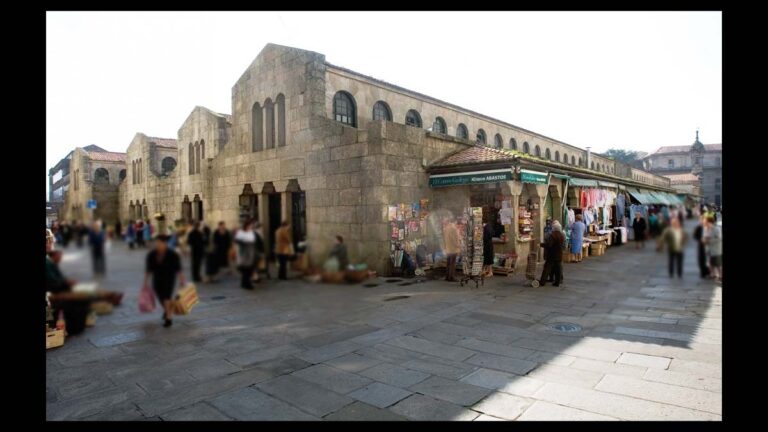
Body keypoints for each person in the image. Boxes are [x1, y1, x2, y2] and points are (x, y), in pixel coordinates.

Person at [144, 234, 185, 327]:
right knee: (160, 297)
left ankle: (168, 318)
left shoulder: (172, 254)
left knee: (167, 297)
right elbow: (148, 270)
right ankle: (167, 310)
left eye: (159, 243)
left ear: (165, 243)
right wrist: (145, 282)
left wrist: (182, 280)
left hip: (169, 278)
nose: (157, 245)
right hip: (157, 278)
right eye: (156, 243)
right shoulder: (152, 254)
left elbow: (178, 269)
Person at [539, 221, 565, 287]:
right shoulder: (562, 235)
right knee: (558, 269)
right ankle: (557, 282)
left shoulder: (552, 235)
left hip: (552, 254)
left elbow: (549, 245)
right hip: (559, 254)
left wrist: (541, 245)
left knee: (547, 268)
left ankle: (542, 281)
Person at [235, 220, 257, 289]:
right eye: (250, 225)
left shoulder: (251, 232)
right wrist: (244, 242)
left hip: (250, 252)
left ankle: (244, 283)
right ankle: (248, 284)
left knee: (248, 269)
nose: (251, 227)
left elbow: (253, 241)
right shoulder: (241, 233)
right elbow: (237, 241)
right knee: (246, 269)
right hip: (244, 252)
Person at [703, 216, 722, 282]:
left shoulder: (716, 229)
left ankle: (720, 276)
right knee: (710, 263)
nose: (704, 222)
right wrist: (704, 240)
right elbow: (705, 237)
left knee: (718, 263)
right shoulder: (706, 229)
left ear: (709, 222)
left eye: (705, 221)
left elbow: (719, 239)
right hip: (709, 248)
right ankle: (713, 274)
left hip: (716, 249)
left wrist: (710, 241)